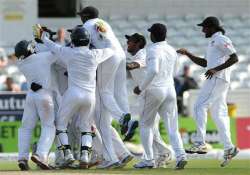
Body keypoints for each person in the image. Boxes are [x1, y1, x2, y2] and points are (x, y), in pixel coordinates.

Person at [41, 26, 114, 169]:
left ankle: (67, 154)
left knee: (61, 124)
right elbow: (111, 48)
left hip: (73, 94)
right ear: (88, 40)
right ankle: (85, 156)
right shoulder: (96, 54)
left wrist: (43, 36)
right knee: (86, 126)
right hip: (90, 96)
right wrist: (103, 34)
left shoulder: (69, 52)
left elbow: (50, 44)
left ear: (73, 41)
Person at [77, 6, 137, 168]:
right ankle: (116, 154)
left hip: (107, 56)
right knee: (117, 92)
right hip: (119, 54)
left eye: (81, 16)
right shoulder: (103, 23)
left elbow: (82, 46)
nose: (80, 19)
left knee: (104, 93)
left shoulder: (86, 26)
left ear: (86, 16)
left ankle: (122, 117)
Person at [177, 16, 239, 167]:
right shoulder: (212, 42)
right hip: (218, 79)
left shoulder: (220, 39)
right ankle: (229, 147)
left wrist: (215, 69)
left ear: (212, 27)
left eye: (204, 27)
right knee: (219, 113)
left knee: (199, 106)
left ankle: (200, 142)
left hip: (217, 78)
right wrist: (188, 54)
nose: (202, 30)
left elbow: (235, 57)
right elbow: (204, 63)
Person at [133, 23, 187, 169]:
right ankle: (181, 155)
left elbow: (153, 71)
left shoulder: (152, 49)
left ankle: (149, 160)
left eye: (151, 33)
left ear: (153, 35)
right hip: (170, 89)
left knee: (145, 125)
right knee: (172, 127)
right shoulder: (171, 50)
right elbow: (175, 70)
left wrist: (140, 87)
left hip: (154, 89)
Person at [125, 33, 172, 168]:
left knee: (145, 126)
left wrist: (116, 62)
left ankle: (148, 159)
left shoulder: (143, 54)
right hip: (153, 92)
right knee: (151, 127)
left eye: (131, 42)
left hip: (150, 93)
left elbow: (132, 66)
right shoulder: (137, 54)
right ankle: (164, 152)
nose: (128, 43)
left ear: (138, 43)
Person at [15, 40, 57, 170]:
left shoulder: (21, 64)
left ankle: (22, 157)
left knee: (25, 128)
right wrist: (46, 39)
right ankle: (41, 154)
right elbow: (58, 52)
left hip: (31, 96)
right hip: (44, 96)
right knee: (49, 126)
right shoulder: (43, 57)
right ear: (29, 49)